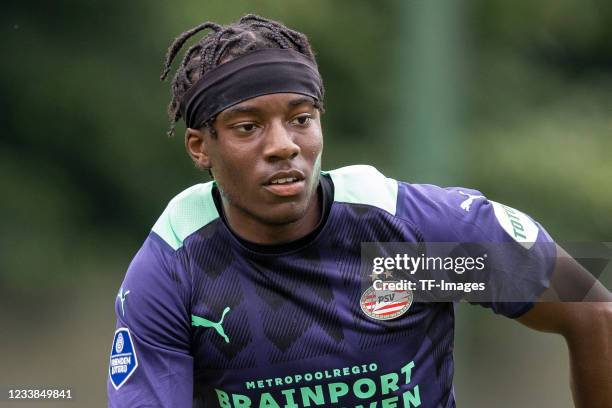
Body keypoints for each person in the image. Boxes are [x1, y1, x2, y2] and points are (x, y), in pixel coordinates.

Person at [107, 14, 612, 408]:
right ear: (200, 147)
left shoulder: (401, 242)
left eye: (300, 118)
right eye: (247, 127)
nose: (284, 146)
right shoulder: (178, 266)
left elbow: (590, 307)